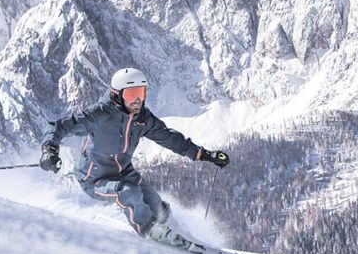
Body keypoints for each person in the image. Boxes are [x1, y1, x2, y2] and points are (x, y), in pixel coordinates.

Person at [39, 67, 229, 241]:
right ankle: (151, 233)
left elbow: (170, 138)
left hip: (124, 173)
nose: (138, 100)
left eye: (141, 93)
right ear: (117, 95)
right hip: (94, 179)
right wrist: (50, 150)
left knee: (156, 204)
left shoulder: (142, 118)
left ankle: (180, 236)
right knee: (128, 193)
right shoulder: (99, 115)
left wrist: (203, 154)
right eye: (132, 94)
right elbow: (59, 126)